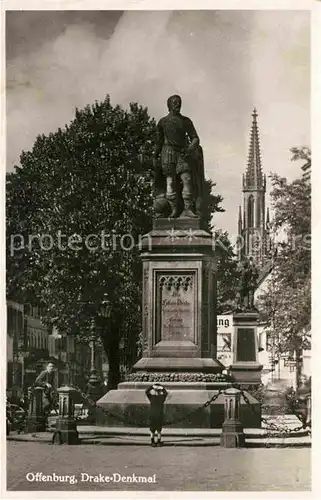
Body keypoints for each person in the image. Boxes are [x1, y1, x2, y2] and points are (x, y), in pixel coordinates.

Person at [153, 94, 204, 218]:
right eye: (174, 102)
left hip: (182, 153)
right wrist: (155, 154)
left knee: (187, 179)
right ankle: (173, 210)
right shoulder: (163, 122)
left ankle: (187, 209)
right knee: (170, 182)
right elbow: (159, 141)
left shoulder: (186, 121)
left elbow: (195, 138)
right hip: (168, 153)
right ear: (169, 105)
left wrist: (190, 148)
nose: (177, 104)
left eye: (179, 102)